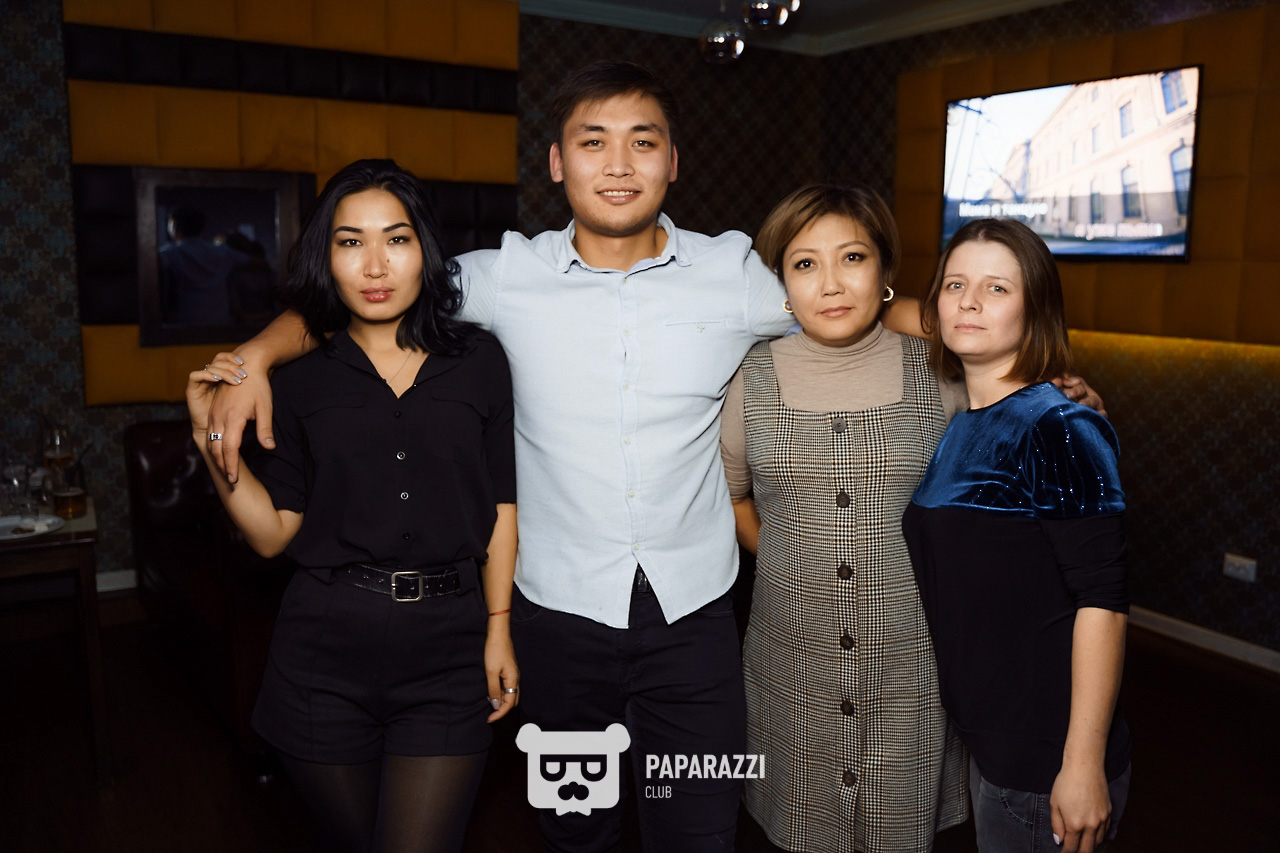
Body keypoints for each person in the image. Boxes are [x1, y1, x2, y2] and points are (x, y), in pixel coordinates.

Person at [200, 63, 1101, 852]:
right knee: (576, 830)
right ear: (557, 163)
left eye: (643, 141)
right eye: (593, 141)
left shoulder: (735, 274)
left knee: (698, 827)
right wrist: (252, 361)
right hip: (557, 621)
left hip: (696, 627)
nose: (619, 163)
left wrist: (1025, 369)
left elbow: (859, 297)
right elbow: (357, 292)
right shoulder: (502, 277)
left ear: (674, 162)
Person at [186, 159, 519, 853]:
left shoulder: (481, 360)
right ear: (326, 257)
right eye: (349, 242)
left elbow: (501, 505)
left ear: (425, 249)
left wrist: (498, 626)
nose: (374, 265)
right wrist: (207, 438)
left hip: (449, 649)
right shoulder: (300, 377)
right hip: (323, 655)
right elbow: (272, 535)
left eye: (395, 239)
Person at [720, 184, 969, 853]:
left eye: (852, 257)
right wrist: (795, 560)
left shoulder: (942, 371)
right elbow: (736, 498)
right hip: (790, 652)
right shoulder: (749, 375)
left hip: (911, 656)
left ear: (884, 269)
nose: (830, 283)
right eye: (805, 264)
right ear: (781, 282)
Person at [903, 219, 1131, 853]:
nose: (970, 302)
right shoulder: (967, 421)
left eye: (997, 288)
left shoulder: (1056, 426)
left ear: (1036, 312)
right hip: (994, 740)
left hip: (1046, 758)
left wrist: (1081, 764)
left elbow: (1103, 602)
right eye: (955, 285)